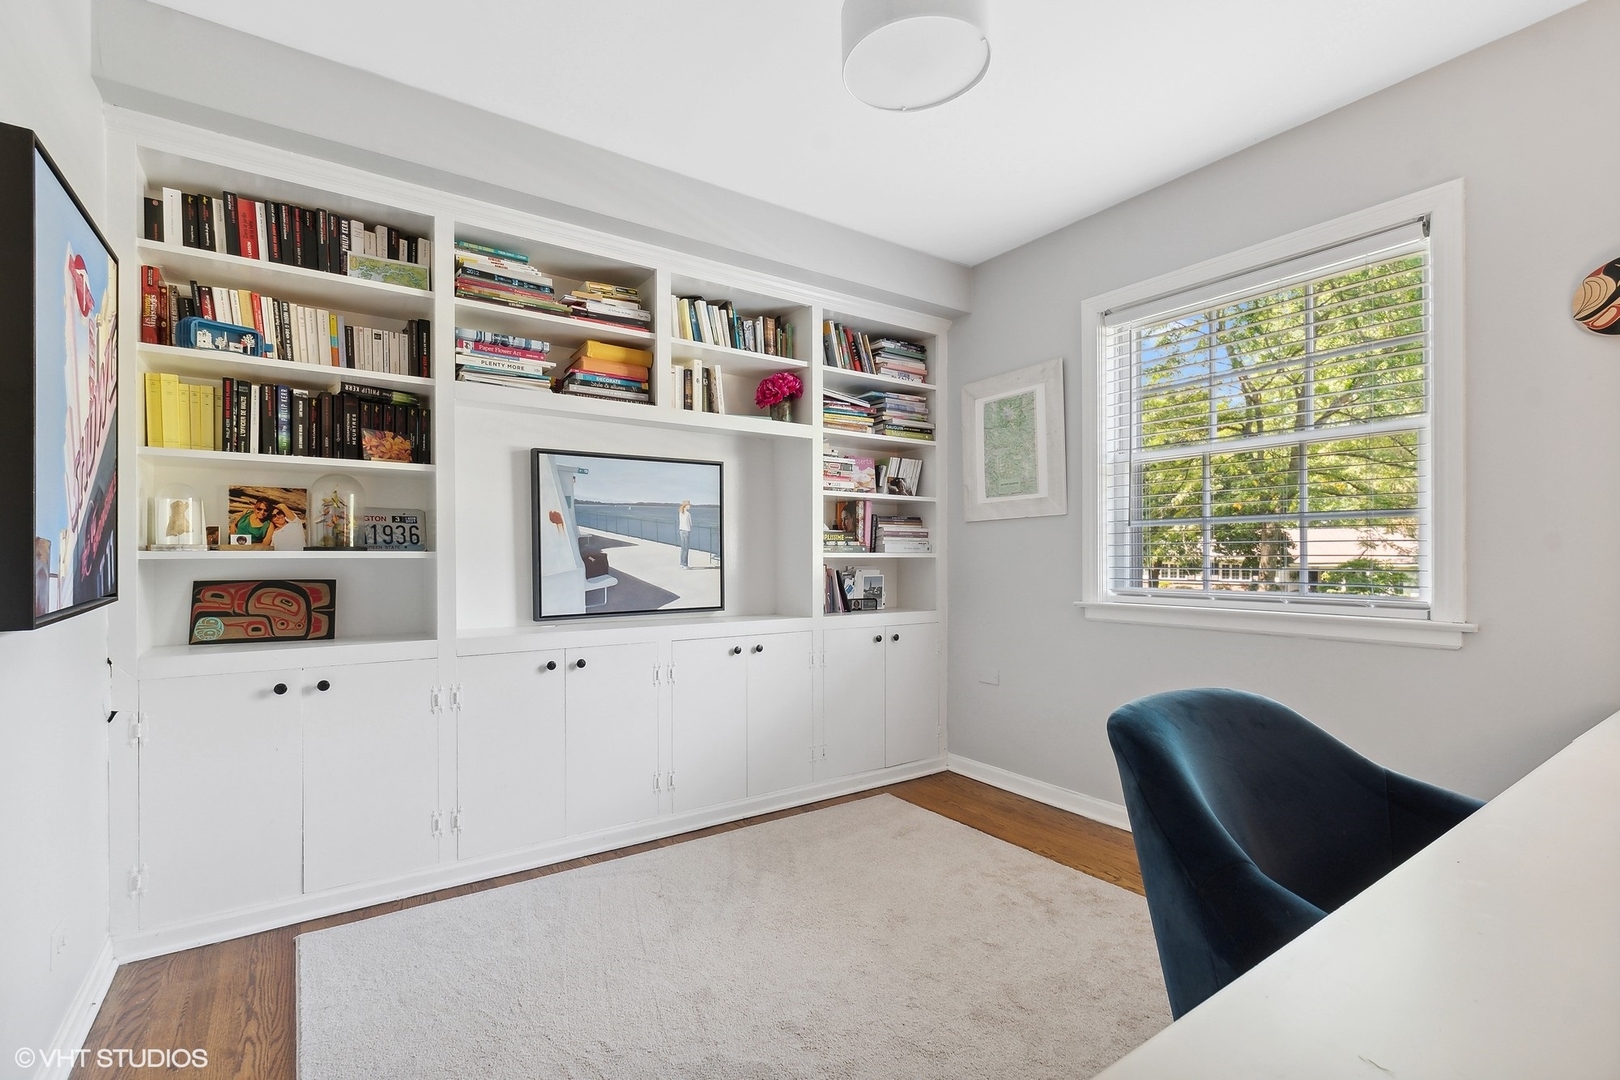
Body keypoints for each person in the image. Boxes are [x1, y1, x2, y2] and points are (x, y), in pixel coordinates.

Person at [678, 500, 692, 569]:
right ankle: (685, 564)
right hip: (686, 531)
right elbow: (690, 523)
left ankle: (681, 563)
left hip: (681, 530)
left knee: (682, 548)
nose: (690, 506)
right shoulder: (688, 514)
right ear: (686, 505)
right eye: (689, 505)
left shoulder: (680, 512)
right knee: (686, 548)